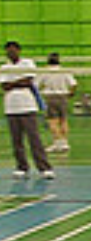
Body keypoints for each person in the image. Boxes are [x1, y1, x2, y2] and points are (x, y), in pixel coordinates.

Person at [1, 41, 53, 179]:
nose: (10, 52)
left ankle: (44, 168)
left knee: (34, 138)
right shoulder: (4, 67)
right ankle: (22, 167)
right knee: (16, 140)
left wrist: (14, 83)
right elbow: (4, 86)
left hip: (28, 106)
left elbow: (29, 81)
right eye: (8, 50)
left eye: (13, 50)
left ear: (18, 50)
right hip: (11, 108)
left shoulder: (28, 63)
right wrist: (18, 82)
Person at [37, 52, 76, 153]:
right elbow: (73, 84)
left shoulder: (44, 71)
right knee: (63, 120)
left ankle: (57, 143)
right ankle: (65, 143)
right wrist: (71, 93)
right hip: (63, 97)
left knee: (53, 121)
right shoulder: (65, 71)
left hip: (50, 97)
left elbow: (36, 85)